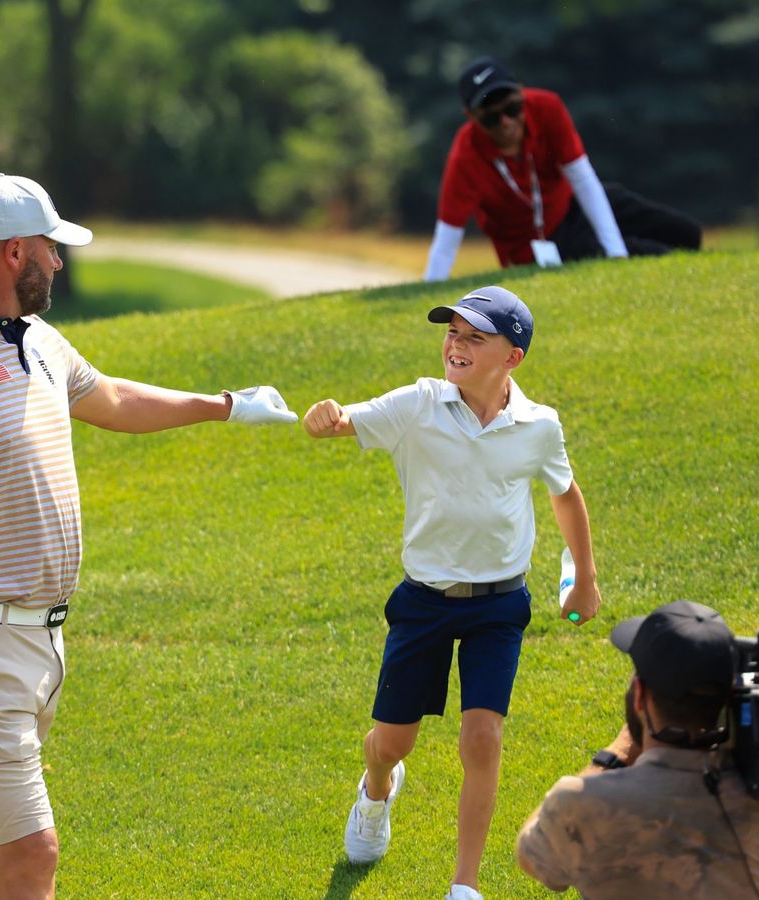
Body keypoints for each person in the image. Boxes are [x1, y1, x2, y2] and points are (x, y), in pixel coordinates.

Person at [0, 172, 298, 900]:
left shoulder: (36, 340)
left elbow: (115, 399)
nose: (60, 263)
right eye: (51, 247)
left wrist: (225, 406)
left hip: (29, 641)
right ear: (14, 252)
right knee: (32, 853)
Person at [302, 285, 601, 900]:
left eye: (474, 337)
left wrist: (585, 579)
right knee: (391, 742)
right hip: (425, 601)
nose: (456, 346)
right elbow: (346, 420)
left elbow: (565, 494)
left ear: (512, 357)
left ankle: (463, 886)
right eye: (452, 334)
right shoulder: (418, 404)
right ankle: (376, 790)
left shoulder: (539, 427)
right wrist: (325, 417)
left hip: (500, 603)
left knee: (482, 737)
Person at [515, 601, 759, 899]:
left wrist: (615, 753)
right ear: (731, 698)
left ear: (641, 697)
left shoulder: (581, 806)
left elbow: (531, 855)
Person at [423, 57, 701, 279]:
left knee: (686, 233)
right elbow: (448, 237)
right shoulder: (465, 155)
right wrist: (429, 294)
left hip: (573, 205)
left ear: (522, 92)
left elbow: (583, 180)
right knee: (659, 255)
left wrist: (616, 252)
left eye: (512, 108)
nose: (507, 122)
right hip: (535, 247)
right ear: (471, 117)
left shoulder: (547, 108)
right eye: (492, 117)